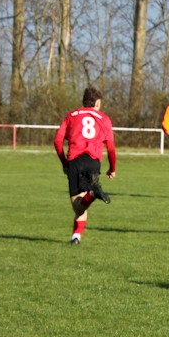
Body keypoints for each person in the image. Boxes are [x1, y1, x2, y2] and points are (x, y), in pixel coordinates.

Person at [54, 86, 116, 244]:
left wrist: (64, 162)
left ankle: (93, 194)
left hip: (75, 161)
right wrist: (112, 168)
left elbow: (58, 141)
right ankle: (76, 236)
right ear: (97, 103)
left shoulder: (71, 115)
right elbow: (110, 148)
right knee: (83, 202)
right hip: (94, 162)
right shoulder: (104, 118)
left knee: (77, 206)